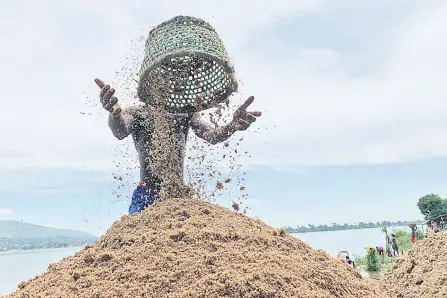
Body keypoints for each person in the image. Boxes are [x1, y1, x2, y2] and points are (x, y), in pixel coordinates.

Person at [94, 79, 262, 215]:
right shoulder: (138, 113)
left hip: (178, 195)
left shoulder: (186, 114)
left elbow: (212, 134)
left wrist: (232, 125)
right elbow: (120, 130)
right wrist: (114, 114)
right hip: (147, 196)